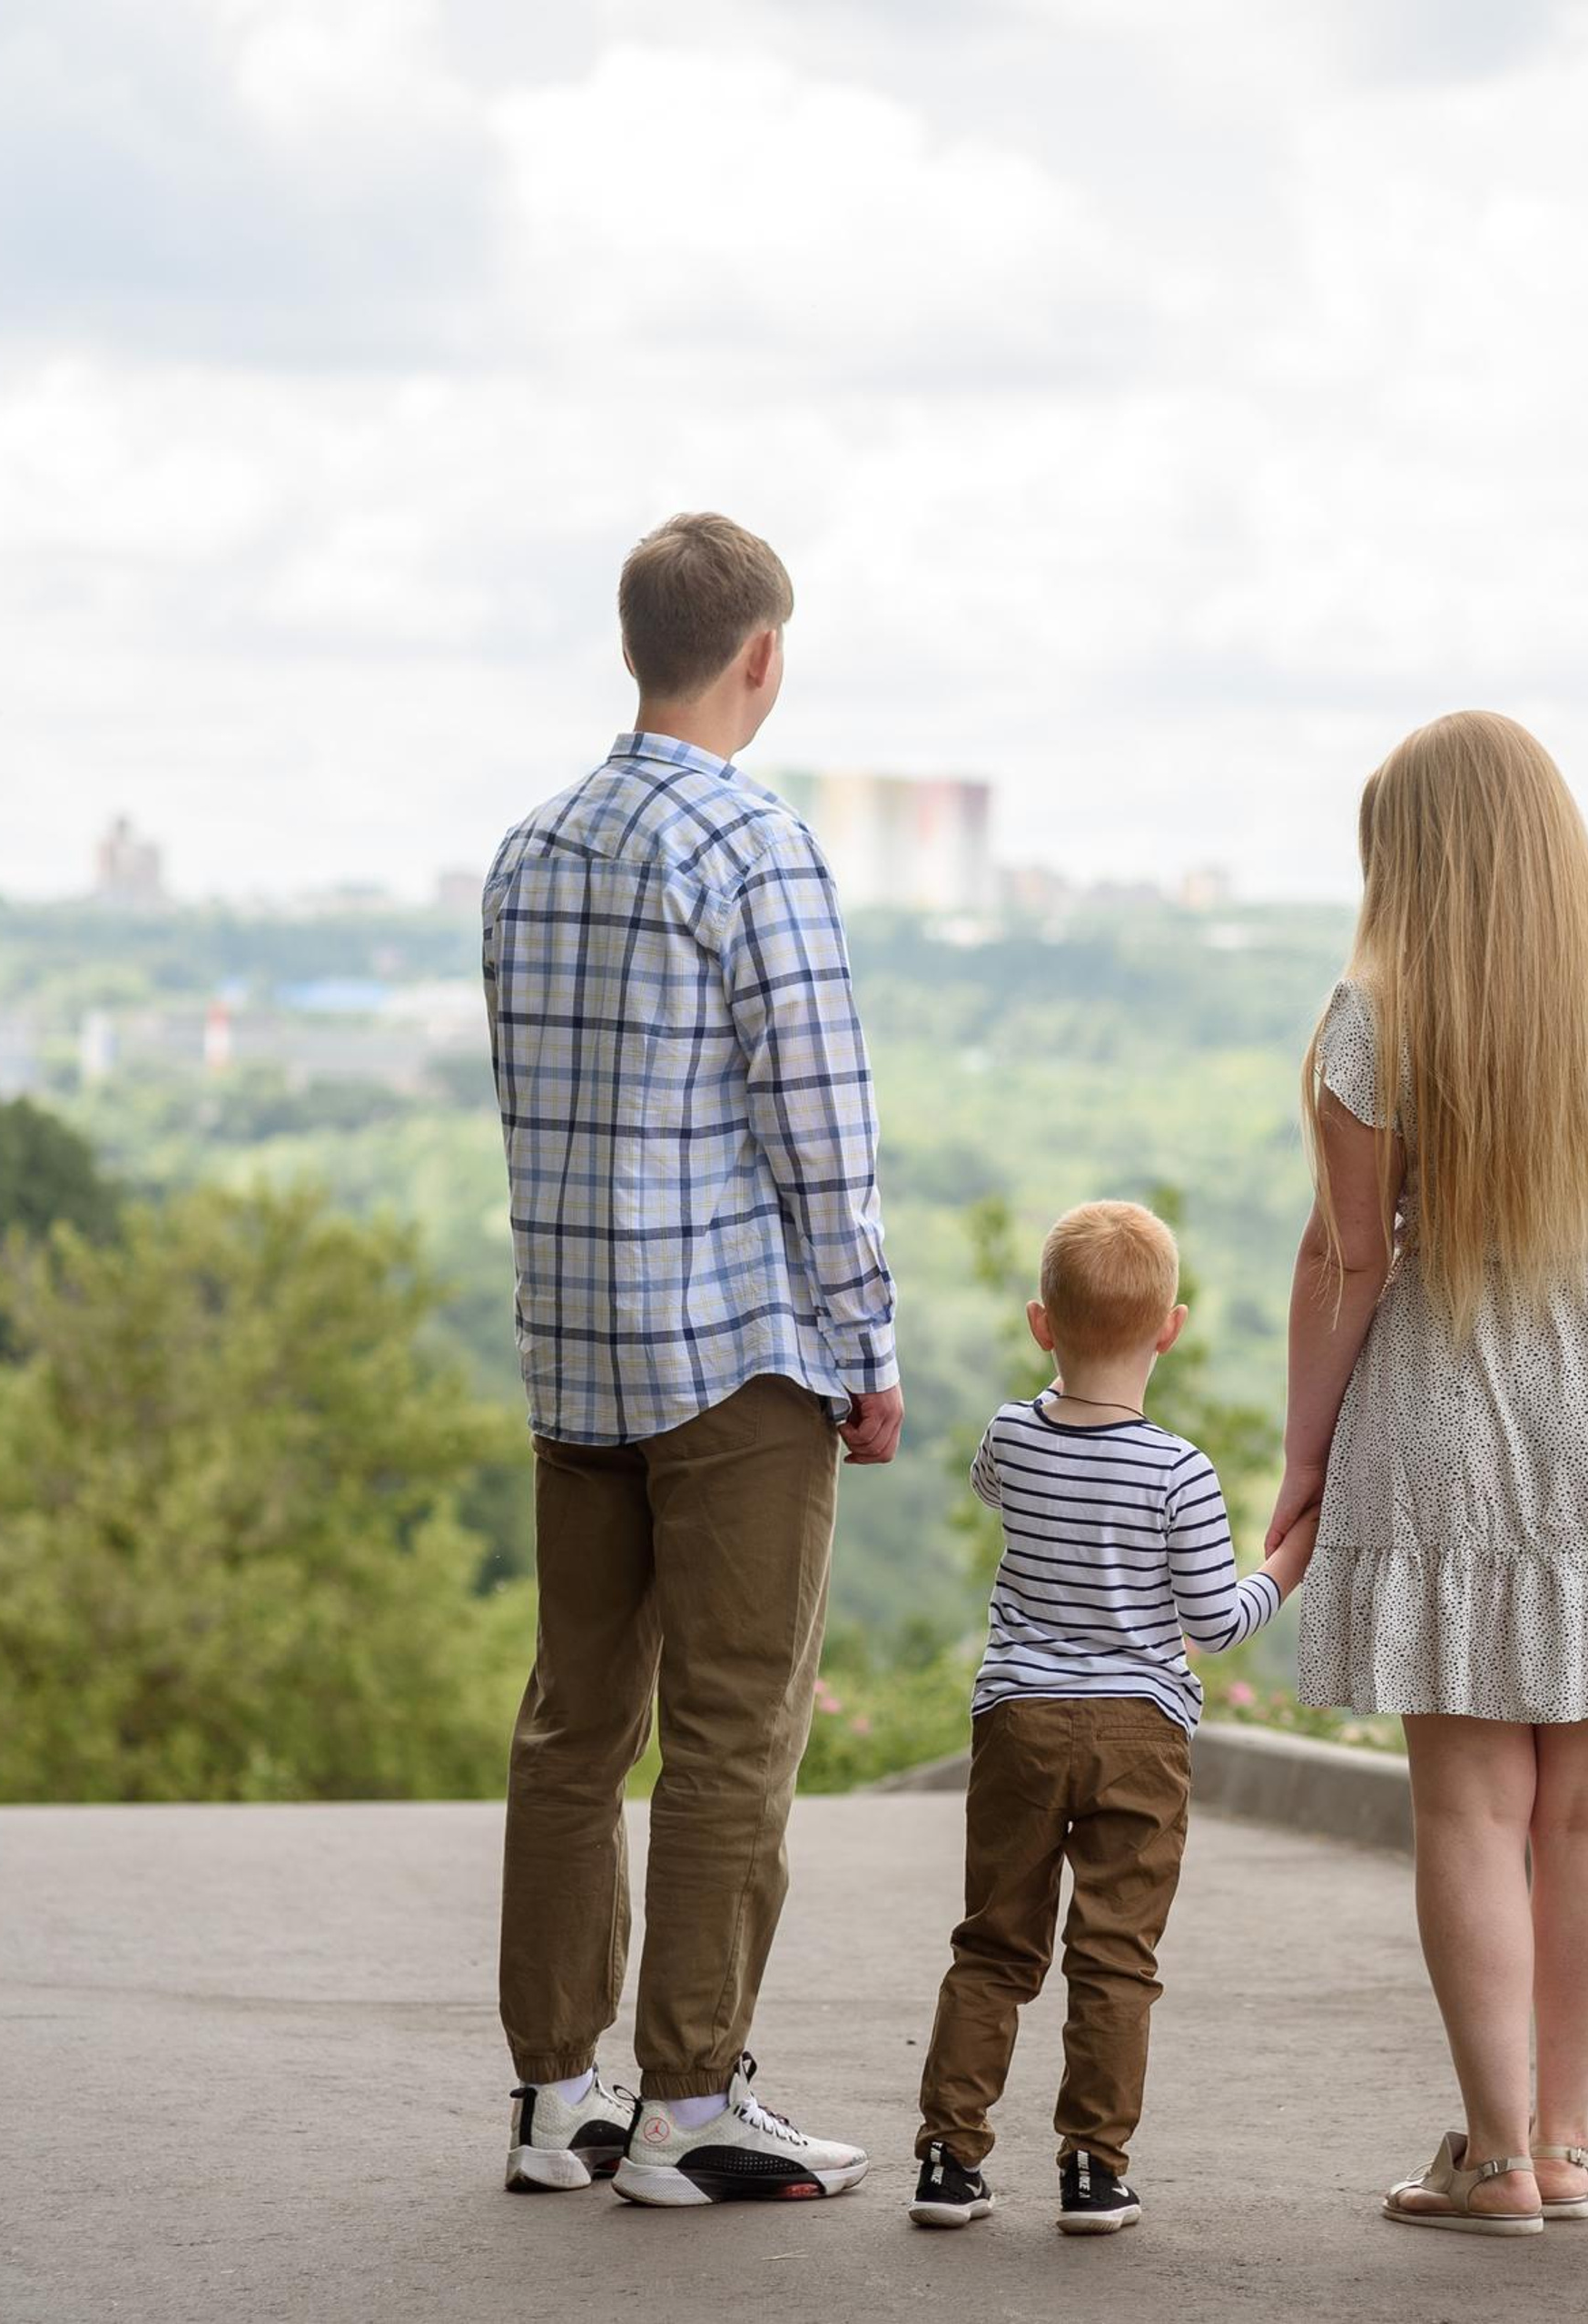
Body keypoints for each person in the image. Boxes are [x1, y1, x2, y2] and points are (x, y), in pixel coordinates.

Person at [1267, 710, 1588, 2237]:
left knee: (1473, 1810)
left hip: (1446, 1433)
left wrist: (1303, 1457)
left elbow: (1349, 1260)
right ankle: (1567, 2141)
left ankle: (1493, 2162)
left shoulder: (1375, 1019)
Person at [482, 512, 902, 2206]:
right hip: (734, 1362)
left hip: (574, 1355)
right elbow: (821, 1127)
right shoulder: (753, 842)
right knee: (733, 1732)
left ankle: (553, 2101)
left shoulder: (528, 849)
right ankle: (690, 2107)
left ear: (632, 643)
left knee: (572, 1730)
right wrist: (866, 1341)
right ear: (763, 656)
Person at [909, 1201, 1314, 2237]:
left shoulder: (1010, 1434)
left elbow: (991, 1486)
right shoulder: (1181, 1472)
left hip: (1020, 1719)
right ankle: (1092, 2170)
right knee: (1114, 1957)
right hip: (1140, 1729)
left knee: (994, 1946)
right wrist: (1284, 1566)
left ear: (1041, 1323)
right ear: (1169, 1329)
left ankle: (949, 2161)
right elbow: (1214, 1623)